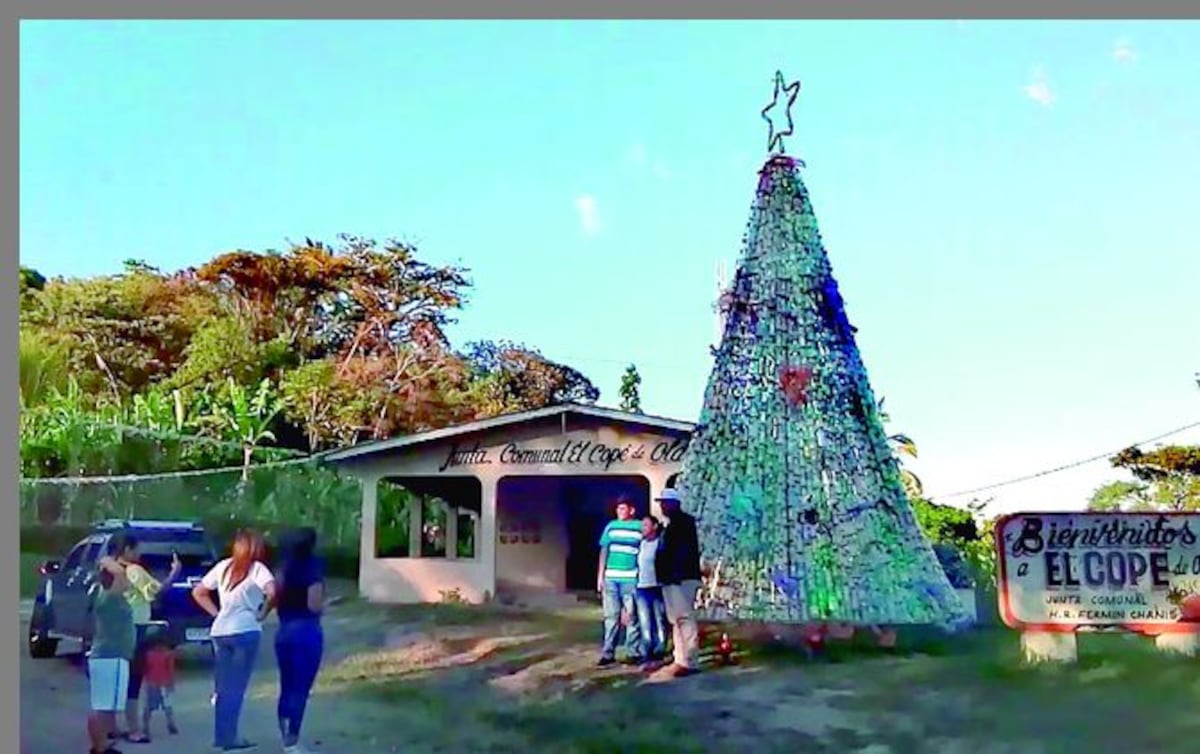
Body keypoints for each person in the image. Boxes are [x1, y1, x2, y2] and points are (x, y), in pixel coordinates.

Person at [191, 529, 277, 752]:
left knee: (222, 687)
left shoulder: (224, 566)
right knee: (236, 687)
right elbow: (273, 591)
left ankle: (221, 736)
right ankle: (231, 737)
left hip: (221, 630)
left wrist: (217, 613)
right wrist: (262, 613)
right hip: (245, 629)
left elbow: (198, 591)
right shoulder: (257, 569)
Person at [113, 534, 182, 744]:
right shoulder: (134, 571)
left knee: (119, 678)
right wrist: (174, 573)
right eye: (136, 549)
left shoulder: (112, 570)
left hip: (115, 627)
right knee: (134, 679)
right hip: (135, 627)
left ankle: (112, 725)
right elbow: (156, 591)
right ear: (127, 549)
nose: (139, 553)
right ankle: (134, 729)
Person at [273, 527, 326, 754]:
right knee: (301, 687)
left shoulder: (283, 567)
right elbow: (314, 604)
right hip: (306, 630)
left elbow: (274, 596)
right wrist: (324, 606)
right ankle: (292, 740)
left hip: (284, 629)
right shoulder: (313, 567)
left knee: (286, 685)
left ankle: (285, 734)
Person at [87, 556, 135, 754]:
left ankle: (99, 746)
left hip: (106, 656)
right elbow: (121, 575)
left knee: (102, 705)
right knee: (104, 707)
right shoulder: (110, 598)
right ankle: (100, 748)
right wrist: (107, 561)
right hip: (111, 657)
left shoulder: (104, 596)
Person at [654, 488, 703, 678]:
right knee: (676, 620)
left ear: (673, 503)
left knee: (685, 618)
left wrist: (674, 573)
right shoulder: (669, 524)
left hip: (681, 578)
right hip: (670, 578)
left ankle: (690, 660)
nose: (661, 506)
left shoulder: (683, 522)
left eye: (664, 503)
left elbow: (682, 551)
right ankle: (680, 658)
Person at [596, 495, 643, 667]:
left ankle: (632, 652)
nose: (619, 511)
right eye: (618, 508)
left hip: (631, 578)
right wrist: (600, 576)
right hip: (611, 578)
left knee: (631, 616)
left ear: (632, 510)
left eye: (623, 508)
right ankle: (608, 653)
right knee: (611, 617)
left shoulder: (639, 527)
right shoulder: (611, 527)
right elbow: (604, 551)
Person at [634, 515, 669, 669]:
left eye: (646, 525)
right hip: (642, 587)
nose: (643, 528)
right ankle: (647, 651)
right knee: (644, 621)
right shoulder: (641, 544)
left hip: (657, 586)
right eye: (642, 525)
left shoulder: (660, 544)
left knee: (659, 619)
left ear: (654, 526)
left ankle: (660, 648)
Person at [139, 631, 179, 738]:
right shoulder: (168, 655)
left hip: (152, 683)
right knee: (168, 706)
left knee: (149, 707)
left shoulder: (149, 655)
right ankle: (171, 724)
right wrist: (171, 683)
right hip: (164, 683)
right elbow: (170, 670)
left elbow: (145, 669)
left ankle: (145, 727)